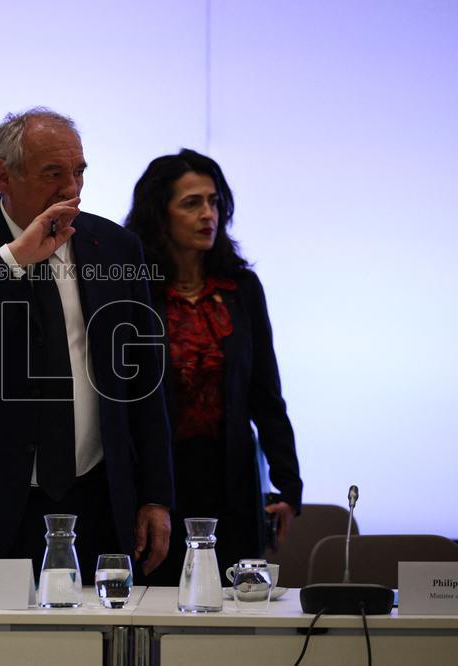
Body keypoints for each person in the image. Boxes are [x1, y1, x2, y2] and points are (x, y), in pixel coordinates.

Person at [0, 108, 175, 583]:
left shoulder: (116, 247)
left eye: (79, 172)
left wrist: (156, 495)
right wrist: (13, 258)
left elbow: (143, 381)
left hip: (95, 495)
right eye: (53, 174)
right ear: (2, 176)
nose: (71, 189)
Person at [124, 148, 302, 584]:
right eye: (192, 203)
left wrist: (288, 485)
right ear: (159, 214)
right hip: (156, 484)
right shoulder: (133, 287)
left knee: (233, 601)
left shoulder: (241, 288)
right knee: (154, 600)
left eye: (214, 201)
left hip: (231, 479)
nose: (209, 214)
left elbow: (266, 394)